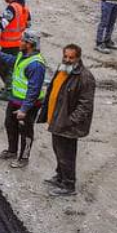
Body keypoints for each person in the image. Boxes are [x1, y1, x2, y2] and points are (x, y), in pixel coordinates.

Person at [43, 43, 95, 197]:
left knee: (67, 155)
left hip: (68, 126)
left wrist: (69, 121)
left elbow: (85, 106)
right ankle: (60, 176)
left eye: (71, 57)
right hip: (57, 120)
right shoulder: (63, 70)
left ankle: (68, 185)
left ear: (78, 58)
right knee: (58, 150)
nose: (67, 60)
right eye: (65, 56)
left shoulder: (85, 77)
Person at [0, 31, 46, 168]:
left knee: (25, 131)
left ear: (29, 44)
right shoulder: (22, 55)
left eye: (22, 41)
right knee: (10, 124)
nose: (20, 43)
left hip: (28, 105)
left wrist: (24, 109)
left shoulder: (36, 65)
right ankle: (12, 151)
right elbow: (13, 62)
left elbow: (33, 90)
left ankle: (23, 158)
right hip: (15, 99)